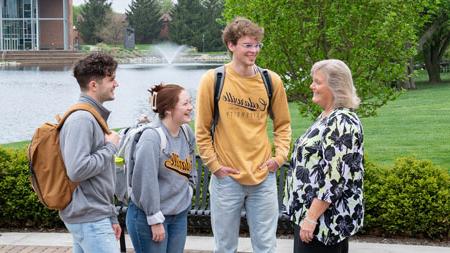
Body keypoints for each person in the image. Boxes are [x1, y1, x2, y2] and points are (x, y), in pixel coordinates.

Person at [195, 17, 292, 253]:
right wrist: (215, 167)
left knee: (266, 247)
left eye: (257, 45)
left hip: (263, 177)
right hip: (226, 179)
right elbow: (202, 131)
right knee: (225, 247)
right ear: (231, 45)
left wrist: (278, 158)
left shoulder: (271, 81)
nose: (254, 51)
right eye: (248, 45)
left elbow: (283, 125)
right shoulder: (214, 80)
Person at [283, 59, 364, 253]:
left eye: (317, 82)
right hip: (314, 220)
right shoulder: (327, 117)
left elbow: (333, 180)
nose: (312, 86)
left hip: (324, 225)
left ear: (335, 86)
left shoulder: (342, 122)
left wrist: (311, 218)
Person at [59, 52, 121, 253]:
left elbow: (101, 178)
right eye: (111, 79)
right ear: (94, 85)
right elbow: (77, 170)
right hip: (90, 219)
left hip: (95, 216)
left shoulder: (92, 116)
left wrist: (111, 215)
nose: (116, 84)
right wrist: (110, 147)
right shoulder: (82, 119)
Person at [126, 84, 197, 253]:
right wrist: (154, 219)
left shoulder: (186, 133)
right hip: (149, 217)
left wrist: (188, 191)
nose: (190, 107)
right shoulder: (152, 137)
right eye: (185, 103)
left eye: (190, 102)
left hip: (178, 215)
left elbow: (191, 169)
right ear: (169, 110)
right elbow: (145, 181)